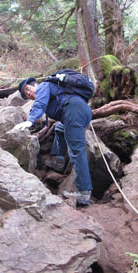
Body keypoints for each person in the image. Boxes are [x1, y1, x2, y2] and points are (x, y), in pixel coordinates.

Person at [15, 76, 93, 207]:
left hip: (74, 112)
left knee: (76, 150)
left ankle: (84, 192)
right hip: (80, 111)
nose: (29, 93)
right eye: (26, 94)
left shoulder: (43, 86)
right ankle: (59, 160)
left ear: (35, 85)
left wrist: (30, 120)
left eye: (28, 89)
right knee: (59, 128)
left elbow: (39, 103)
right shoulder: (52, 88)